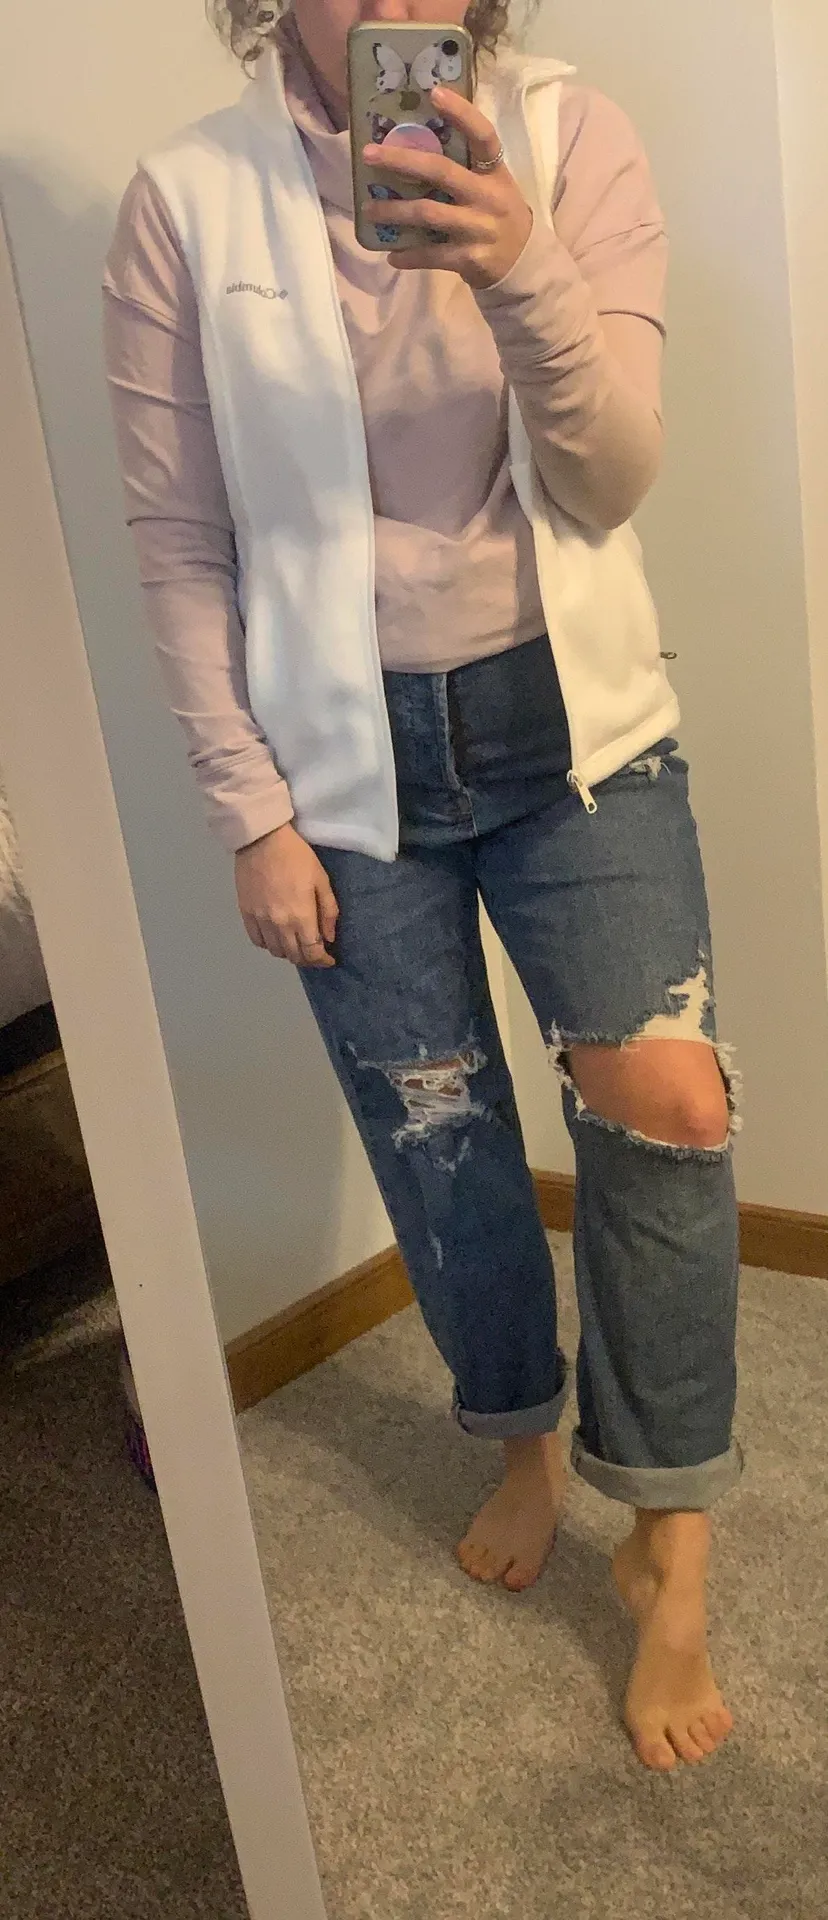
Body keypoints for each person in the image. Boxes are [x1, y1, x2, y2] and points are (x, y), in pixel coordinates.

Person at [103, 0, 744, 1774]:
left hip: (574, 718)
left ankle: (670, 1530)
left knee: (671, 1108)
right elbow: (180, 541)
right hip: (339, 760)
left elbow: (612, 476)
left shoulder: (574, 137)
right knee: (441, 1131)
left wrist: (522, 263)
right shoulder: (188, 200)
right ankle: (522, 1436)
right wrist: (250, 812)